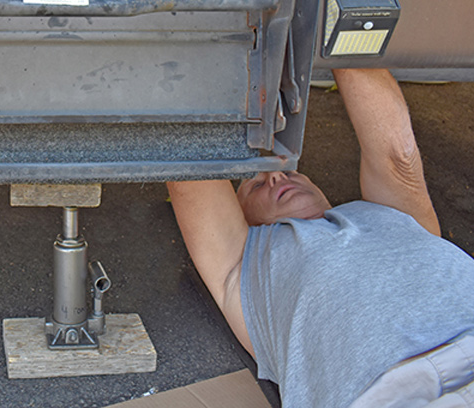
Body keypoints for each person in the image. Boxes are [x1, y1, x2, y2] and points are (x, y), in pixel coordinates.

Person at [167, 69, 474, 408]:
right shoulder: (242, 266)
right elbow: (189, 162)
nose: (276, 177)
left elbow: (398, 153)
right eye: (254, 184)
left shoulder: (389, 213)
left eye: (289, 170)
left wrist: (346, 29)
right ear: (241, 217)